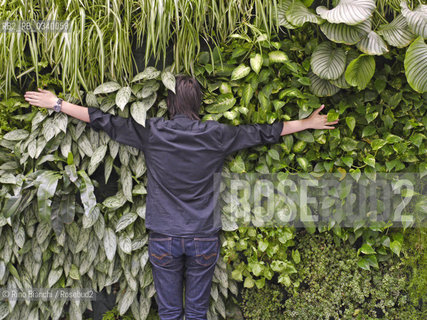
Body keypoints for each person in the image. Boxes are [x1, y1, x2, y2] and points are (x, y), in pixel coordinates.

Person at [24, 76, 338, 320]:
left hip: (164, 239)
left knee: (171, 314)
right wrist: (307, 123)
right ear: (198, 103)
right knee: (197, 314)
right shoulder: (215, 134)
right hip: (203, 238)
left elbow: (104, 121)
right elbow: (261, 132)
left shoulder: (154, 132)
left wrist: (57, 103)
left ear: (170, 103)